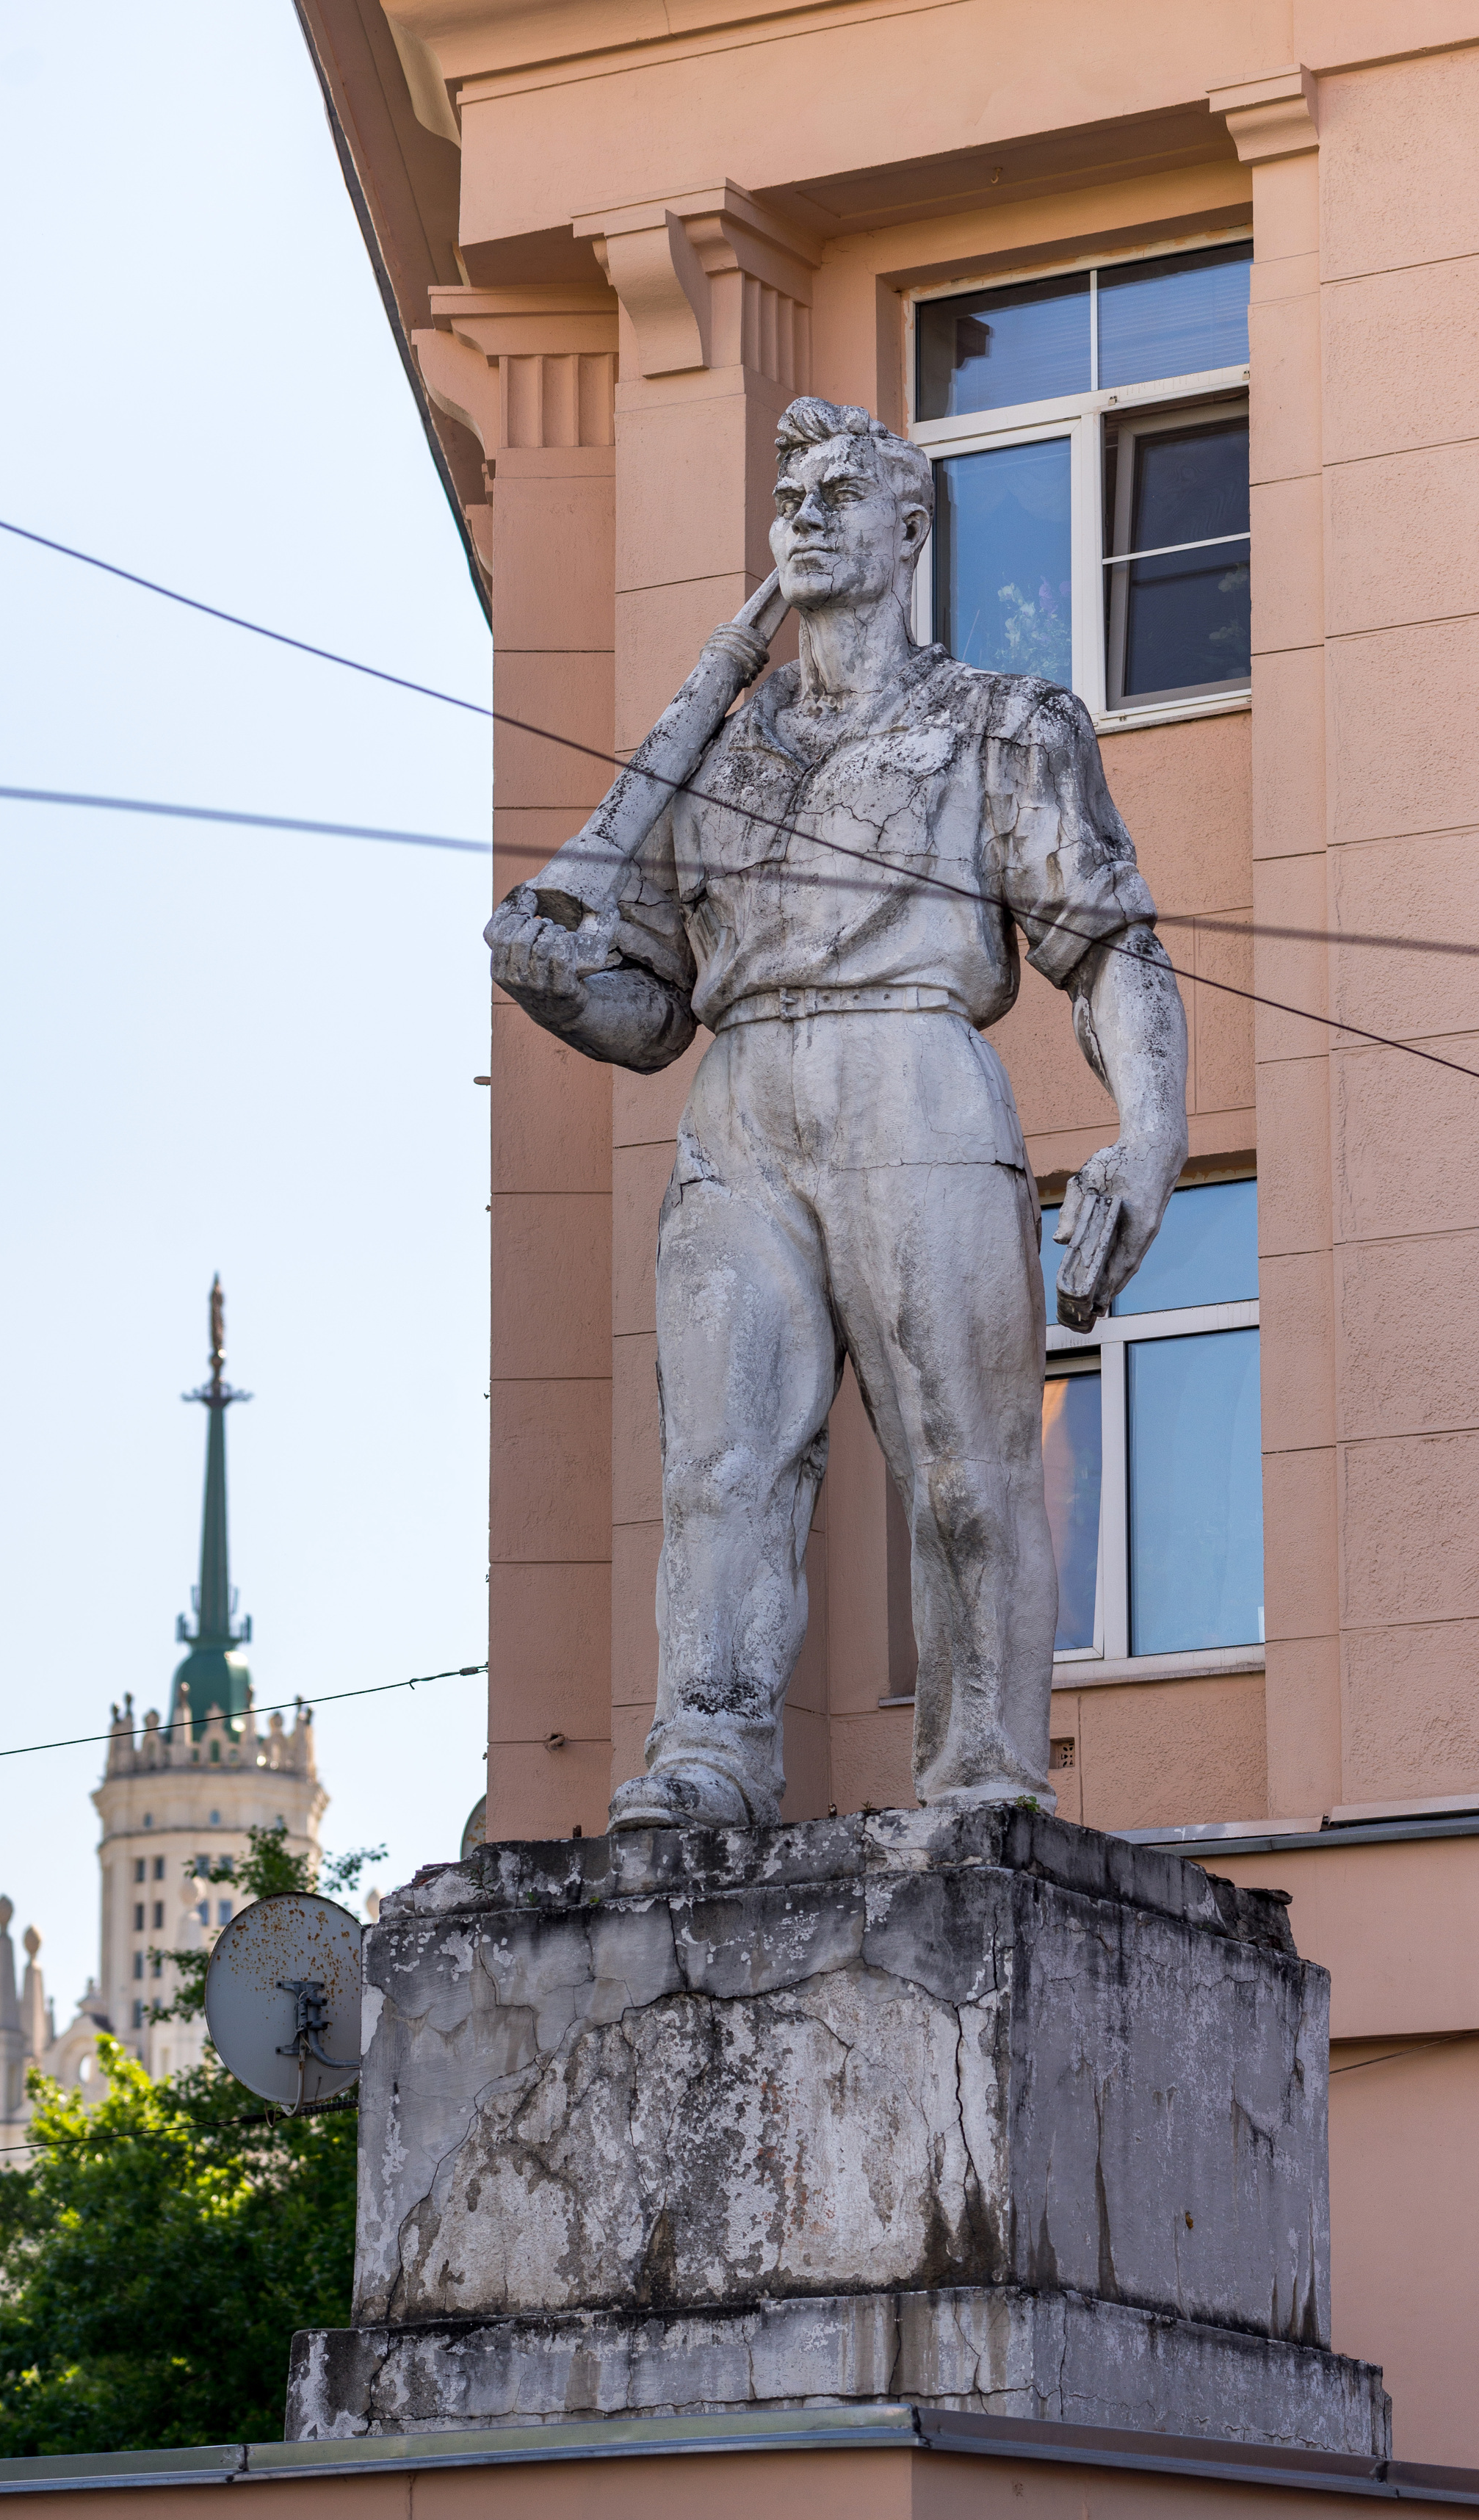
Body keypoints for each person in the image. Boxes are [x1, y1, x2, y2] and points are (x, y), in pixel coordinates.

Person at [485, 396, 1187, 1830]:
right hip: (740, 1105)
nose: (800, 516)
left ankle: (985, 1768)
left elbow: (1111, 944)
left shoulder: (998, 720)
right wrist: (563, 990)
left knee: (964, 1461)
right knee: (723, 1461)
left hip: (914, 1075)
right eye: (785, 497)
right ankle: (708, 1755)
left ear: (908, 529)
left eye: (835, 494)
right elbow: (656, 1006)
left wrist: (1153, 1130)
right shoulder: (714, 760)